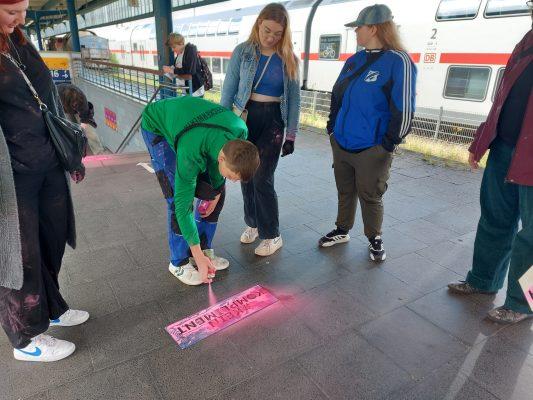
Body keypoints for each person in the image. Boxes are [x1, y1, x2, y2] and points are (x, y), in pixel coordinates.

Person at [0, 0, 88, 363]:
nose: (22, 19)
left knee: (52, 239)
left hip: (47, 161)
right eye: (12, 12)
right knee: (20, 257)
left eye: (24, 9)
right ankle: (26, 338)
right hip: (12, 175)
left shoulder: (18, 41)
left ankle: (51, 307)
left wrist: (70, 154)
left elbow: (48, 97)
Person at [448, 15, 533, 324]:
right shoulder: (527, 41)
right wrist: (482, 139)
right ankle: (483, 280)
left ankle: (524, 304)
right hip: (505, 148)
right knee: (494, 220)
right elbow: (502, 97)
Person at [318, 4, 416, 262]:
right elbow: (337, 96)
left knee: (370, 195)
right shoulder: (354, 61)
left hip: (372, 147)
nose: (355, 32)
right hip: (342, 142)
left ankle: (374, 237)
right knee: (345, 190)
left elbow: (404, 109)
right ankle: (342, 229)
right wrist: (332, 129)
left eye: (358, 27)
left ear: (373, 28)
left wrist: (388, 144)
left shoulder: (399, 61)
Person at [141, 96, 259, 285]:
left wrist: (216, 192)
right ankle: (178, 262)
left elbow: (218, 173)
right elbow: (183, 206)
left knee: (216, 193)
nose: (233, 181)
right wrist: (195, 253)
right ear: (221, 159)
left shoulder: (240, 131)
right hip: (157, 124)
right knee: (175, 198)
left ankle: (203, 251)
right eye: (231, 176)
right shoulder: (191, 153)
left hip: (195, 124)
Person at [221, 3, 301, 257]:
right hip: (243, 117)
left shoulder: (289, 58)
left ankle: (272, 235)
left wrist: (291, 135)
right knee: (245, 173)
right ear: (258, 24)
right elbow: (229, 89)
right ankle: (253, 223)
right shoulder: (242, 52)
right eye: (267, 30)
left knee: (262, 177)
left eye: (277, 33)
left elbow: (294, 99)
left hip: (273, 120)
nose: (270, 37)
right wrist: (222, 126)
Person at [57, 83, 105, 155]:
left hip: (80, 111)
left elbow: (85, 116)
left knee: (89, 131)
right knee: (70, 130)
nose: (74, 105)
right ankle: (76, 152)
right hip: (63, 109)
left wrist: (83, 125)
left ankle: (99, 153)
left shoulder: (81, 97)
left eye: (76, 104)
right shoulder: (57, 94)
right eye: (73, 104)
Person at [162, 33, 204, 97]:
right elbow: (179, 68)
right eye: (171, 47)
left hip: (195, 91)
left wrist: (172, 70)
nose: (172, 50)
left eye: (174, 47)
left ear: (181, 43)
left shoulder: (191, 49)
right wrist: (170, 69)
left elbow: (190, 70)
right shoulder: (180, 53)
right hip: (186, 89)